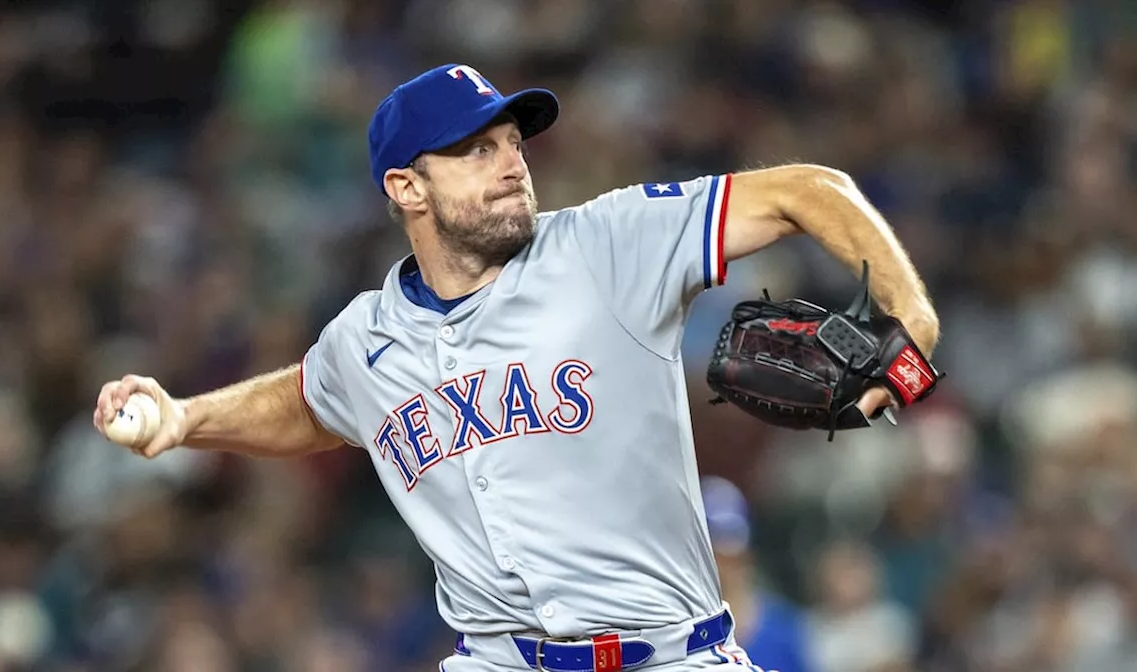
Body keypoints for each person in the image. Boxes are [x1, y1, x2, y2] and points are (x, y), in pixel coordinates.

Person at [93, 63, 940, 671]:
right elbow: (310, 405)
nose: (510, 160)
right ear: (406, 188)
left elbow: (806, 189)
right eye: (475, 149)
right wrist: (185, 420)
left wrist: (913, 313)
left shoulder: (608, 245)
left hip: (669, 656)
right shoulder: (367, 339)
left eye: (511, 140)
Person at [701, 476, 813, 672]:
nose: (724, 565)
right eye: (716, 554)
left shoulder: (784, 628)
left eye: (732, 555)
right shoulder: (678, 630)